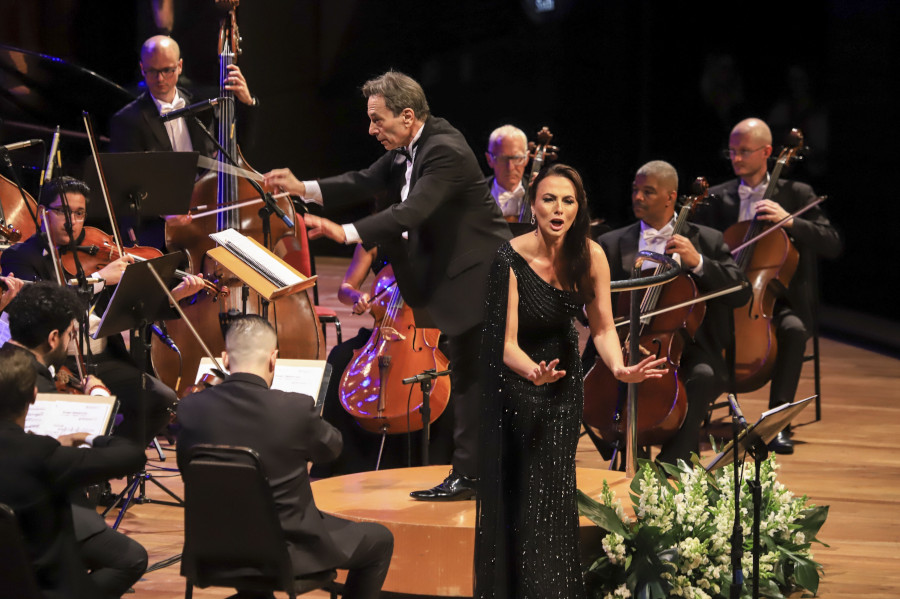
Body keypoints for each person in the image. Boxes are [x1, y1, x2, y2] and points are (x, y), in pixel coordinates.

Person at [264, 70, 511, 500]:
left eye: (378, 120)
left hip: (480, 279)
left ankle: (477, 476)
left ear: (408, 115)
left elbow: (412, 212)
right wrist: (301, 186)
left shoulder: (445, 150)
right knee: (472, 380)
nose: (371, 129)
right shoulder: (407, 150)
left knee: (476, 382)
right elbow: (362, 180)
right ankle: (471, 475)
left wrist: (345, 232)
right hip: (456, 282)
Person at [474, 163, 666, 599]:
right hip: (516, 383)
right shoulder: (508, 257)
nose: (558, 209)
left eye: (568, 201)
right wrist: (531, 373)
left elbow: (601, 327)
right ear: (533, 204)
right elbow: (503, 342)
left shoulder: (591, 254)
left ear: (579, 208)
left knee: (553, 494)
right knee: (519, 493)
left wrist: (617, 368)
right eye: (548, 199)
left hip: (562, 385)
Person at [176, 315, 394, 599]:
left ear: (225, 359)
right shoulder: (294, 409)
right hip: (289, 552)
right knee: (380, 539)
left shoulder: (190, 409)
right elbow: (331, 450)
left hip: (213, 549)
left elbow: (187, 469)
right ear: (273, 359)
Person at [0, 175, 206, 448]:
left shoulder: (93, 253)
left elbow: (130, 307)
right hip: (57, 362)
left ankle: (110, 463)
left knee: (161, 400)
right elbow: (45, 310)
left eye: (79, 213)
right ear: (42, 212)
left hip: (101, 357)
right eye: (62, 211)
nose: (71, 221)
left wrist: (175, 296)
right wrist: (99, 280)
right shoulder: (21, 256)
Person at [695, 118, 842, 454]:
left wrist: (789, 220)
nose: (736, 158)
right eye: (731, 151)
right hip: (728, 293)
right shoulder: (717, 198)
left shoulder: (796, 194)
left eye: (744, 151)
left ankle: (777, 423)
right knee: (697, 325)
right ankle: (696, 407)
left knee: (792, 330)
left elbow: (832, 242)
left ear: (767, 153)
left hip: (777, 297)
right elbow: (697, 243)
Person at [590, 160, 750, 465]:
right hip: (621, 340)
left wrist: (699, 262)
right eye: (635, 190)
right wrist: (617, 339)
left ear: (671, 197)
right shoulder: (610, 243)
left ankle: (674, 462)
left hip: (687, 349)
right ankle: (623, 452)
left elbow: (740, 291)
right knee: (587, 381)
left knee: (702, 376)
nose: (637, 197)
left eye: (647, 192)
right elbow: (593, 302)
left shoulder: (708, 240)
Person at [3, 282, 149, 599]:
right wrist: (96, 400)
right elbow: (128, 456)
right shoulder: (32, 381)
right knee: (130, 558)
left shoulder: (7, 362)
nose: (70, 342)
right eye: (70, 334)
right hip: (38, 494)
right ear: (53, 337)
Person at [310, 242, 454, 477]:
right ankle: (337, 463)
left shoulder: (446, 236)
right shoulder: (375, 238)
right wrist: (357, 296)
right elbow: (345, 288)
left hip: (431, 333)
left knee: (455, 374)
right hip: (384, 330)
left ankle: (439, 467)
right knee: (340, 357)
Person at [108, 34, 258, 248]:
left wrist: (247, 102)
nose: (160, 79)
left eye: (167, 70)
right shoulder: (127, 120)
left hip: (208, 214)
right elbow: (125, 188)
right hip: (158, 228)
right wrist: (162, 210)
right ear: (142, 68)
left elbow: (237, 149)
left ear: (179, 66)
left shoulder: (203, 106)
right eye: (152, 71)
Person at [485, 124, 532, 223]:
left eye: (516, 158)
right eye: (502, 159)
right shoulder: (475, 194)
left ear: (526, 158)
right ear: (489, 159)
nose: (510, 167)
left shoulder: (538, 193)